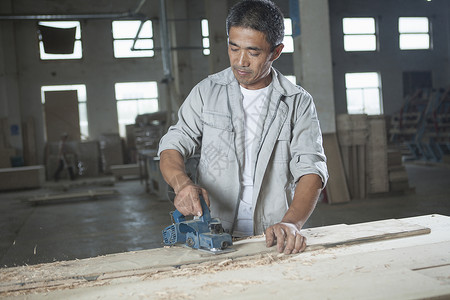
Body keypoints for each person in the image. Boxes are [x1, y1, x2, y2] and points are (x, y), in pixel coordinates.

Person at [158, 0, 328, 254]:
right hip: (213, 231)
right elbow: (173, 145)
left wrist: (291, 223)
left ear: (276, 51)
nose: (240, 61)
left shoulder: (297, 102)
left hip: (273, 235)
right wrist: (181, 185)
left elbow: (311, 169)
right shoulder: (207, 92)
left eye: (253, 52)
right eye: (233, 48)